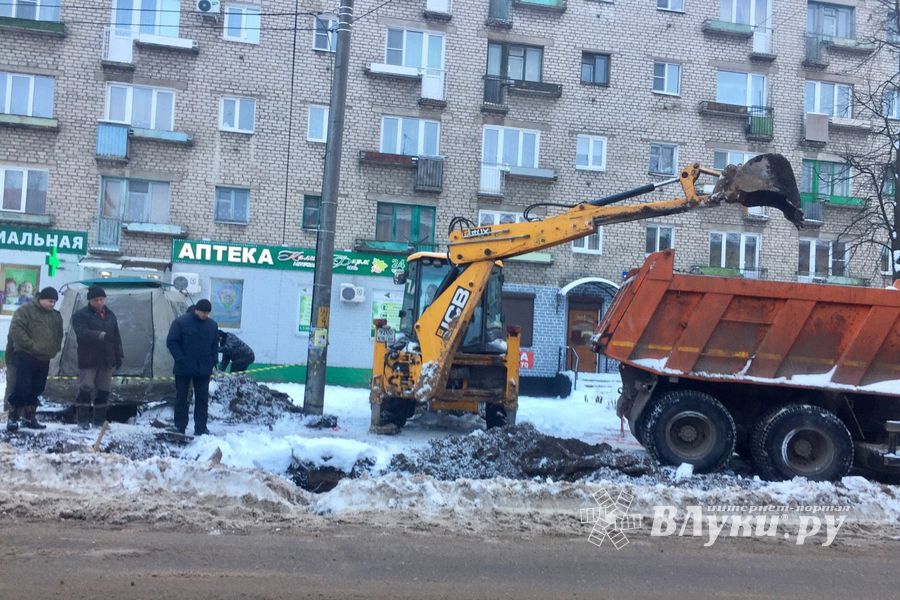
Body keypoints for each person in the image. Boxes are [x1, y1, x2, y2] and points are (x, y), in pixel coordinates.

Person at [6, 287, 63, 431]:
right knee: (21, 387)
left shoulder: (55, 316)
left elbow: (59, 334)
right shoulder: (25, 310)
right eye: (50, 301)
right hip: (26, 355)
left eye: (54, 302)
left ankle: (29, 417)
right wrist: (31, 346)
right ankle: (13, 417)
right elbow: (17, 330)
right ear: (41, 299)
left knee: (37, 388)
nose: (52, 304)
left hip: (44, 357)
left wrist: (54, 348)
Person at [71, 285, 124, 429]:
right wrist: (101, 335)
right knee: (86, 388)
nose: (100, 302)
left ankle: (99, 421)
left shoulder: (110, 315)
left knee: (103, 390)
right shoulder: (80, 315)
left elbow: (116, 336)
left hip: (107, 359)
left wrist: (119, 355)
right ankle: (82, 420)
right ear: (90, 301)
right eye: (96, 300)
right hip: (88, 359)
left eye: (102, 299)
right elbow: (82, 333)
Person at [166, 298, 218, 436]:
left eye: (208, 313)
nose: (206, 315)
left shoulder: (212, 325)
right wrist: (180, 358)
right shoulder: (181, 322)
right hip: (184, 369)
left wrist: (213, 361)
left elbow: (214, 345)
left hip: (203, 369)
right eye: (203, 313)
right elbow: (171, 342)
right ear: (196, 310)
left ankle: (201, 428)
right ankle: (180, 426)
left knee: (202, 399)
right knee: (182, 398)